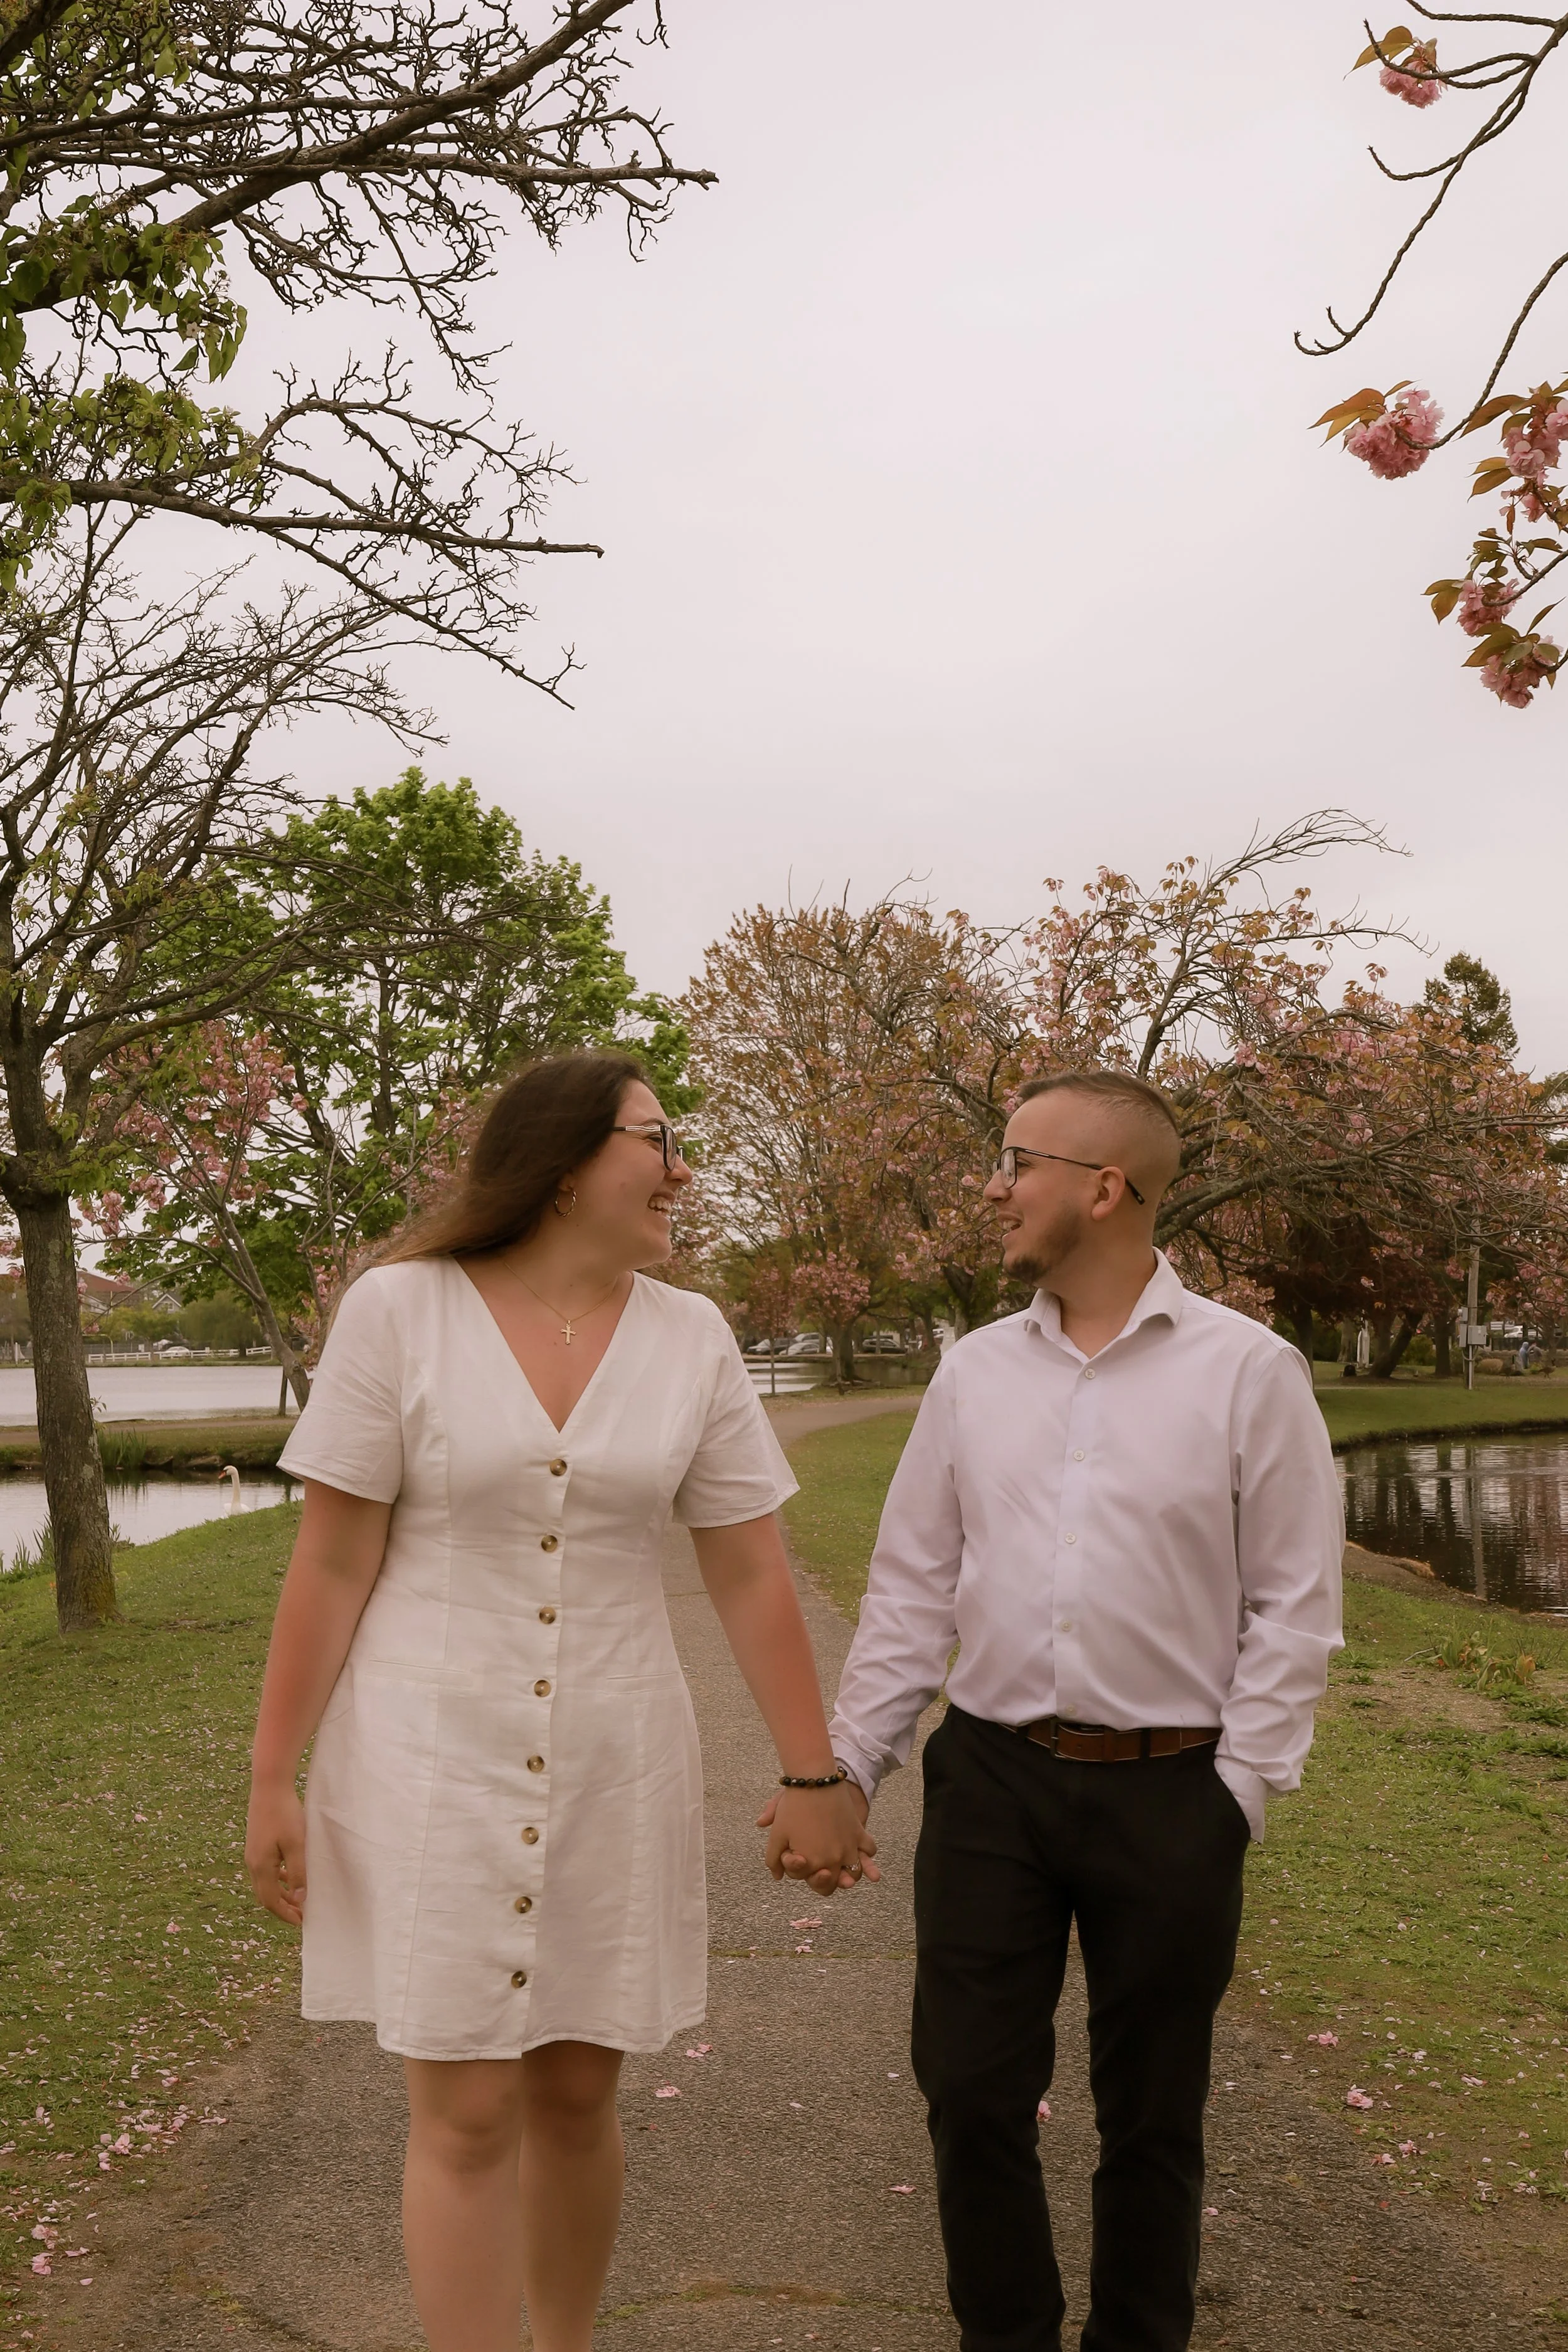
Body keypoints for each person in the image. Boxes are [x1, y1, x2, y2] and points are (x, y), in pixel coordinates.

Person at [244, 1051, 875, 2352]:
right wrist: (272, 1774)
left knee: (581, 2092)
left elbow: (748, 1563)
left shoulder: (690, 1336)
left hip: (612, 1752)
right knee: (467, 2111)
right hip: (431, 1754)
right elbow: (334, 1556)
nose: (681, 1167)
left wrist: (815, 1776)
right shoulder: (399, 1310)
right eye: (659, 1137)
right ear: (568, 1160)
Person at [827, 1069, 1343, 2352]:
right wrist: (849, 1766)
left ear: (1102, 1188)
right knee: (969, 2092)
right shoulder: (971, 1373)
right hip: (991, 1782)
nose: (993, 1187)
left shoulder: (1248, 1373)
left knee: (1153, 2117)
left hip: (1175, 1792)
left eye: (1017, 1161)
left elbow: (1295, 1604)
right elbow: (909, 1587)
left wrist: (1238, 1794)